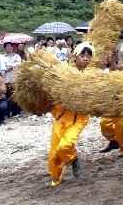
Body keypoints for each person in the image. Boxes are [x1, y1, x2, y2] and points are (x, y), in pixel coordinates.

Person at [48, 42, 95, 186]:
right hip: (60, 117)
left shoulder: (92, 77)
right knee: (54, 154)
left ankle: (73, 159)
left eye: (88, 55)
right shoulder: (64, 73)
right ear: (75, 56)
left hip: (78, 119)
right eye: (82, 55)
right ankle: (56, 180)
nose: (85, 58)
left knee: (65, 146)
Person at [2, 42, 22, 117]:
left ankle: (15, 113)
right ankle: (6, 113)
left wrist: (9, 65)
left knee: (15, 97)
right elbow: (1, 66)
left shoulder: (17, 56)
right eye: (7, 46)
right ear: (5, 48)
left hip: (14, 79)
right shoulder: (2, 57)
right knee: (6, 97)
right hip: (5, 80)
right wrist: (8, 67)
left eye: (10, 46)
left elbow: (19, 64)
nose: (9, 47)